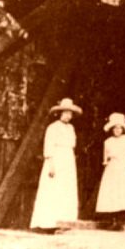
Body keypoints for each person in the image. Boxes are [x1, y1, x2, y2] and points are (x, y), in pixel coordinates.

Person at [30, 97, 82, 233]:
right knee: (53, 189)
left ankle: (65, 222)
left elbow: (72, 145)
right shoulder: (52, 128)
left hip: (68, 160)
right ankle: (49, 223)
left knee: (66, 189)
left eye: (70, 113)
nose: (68, 116)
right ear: (60, 113)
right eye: (65, 113)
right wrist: (51, 164)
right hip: (56, 159)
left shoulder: (71, 128)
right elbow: (48, 147)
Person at [96, 112, 125, 231]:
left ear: (123, 129)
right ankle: (115, 221)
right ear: (111, 129)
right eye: (115, 128)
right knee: (113, 193)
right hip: (112, 169)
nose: (117, 130)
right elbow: (105, 159)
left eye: (120, 127)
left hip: (124, 168)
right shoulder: (108, 142)